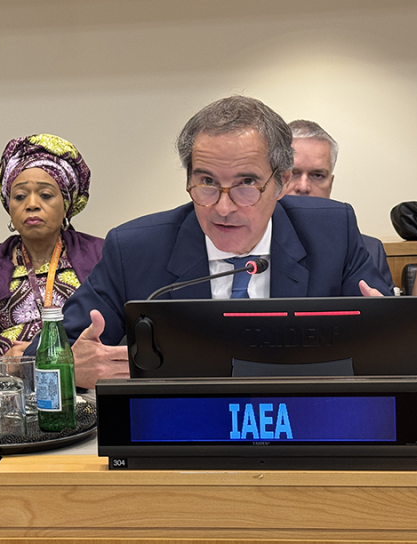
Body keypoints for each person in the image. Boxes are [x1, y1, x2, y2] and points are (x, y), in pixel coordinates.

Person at [46, 96, 391, 389]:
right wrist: (70, 367)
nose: (223, 208)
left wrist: (387, 333)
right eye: (207, 182)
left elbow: (398, 353)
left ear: (281, 182)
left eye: (246, 183)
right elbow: (43, 358)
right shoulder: (135, 250)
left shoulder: (332, 233)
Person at [0, 134, 103, 358]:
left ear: (66, 204)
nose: (32, 205)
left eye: (46, 195)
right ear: (9, 207)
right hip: (5, 382)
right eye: (20, 196)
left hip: (80, 377)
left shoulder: (100, 256)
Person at [285, 119, 394, 290]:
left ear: (330, 183)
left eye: (318, 175)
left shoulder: (369, 251)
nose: (303, 187)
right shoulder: (250, 242)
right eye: (293, 173)